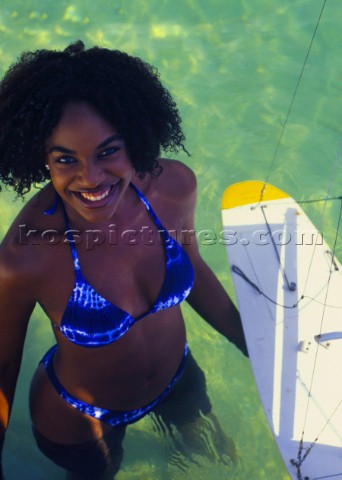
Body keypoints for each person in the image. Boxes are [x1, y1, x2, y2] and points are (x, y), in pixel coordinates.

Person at [0, 41, 248, 479]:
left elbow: (194, 266)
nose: (90, 178)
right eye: (65, 159)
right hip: (80, 421)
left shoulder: (173, 189)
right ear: (40, 159)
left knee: (223, 460)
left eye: (107, 151)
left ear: (135, 139)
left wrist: (252, 343)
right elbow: (3, 364)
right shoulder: (26, 256)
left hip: (179, 379)